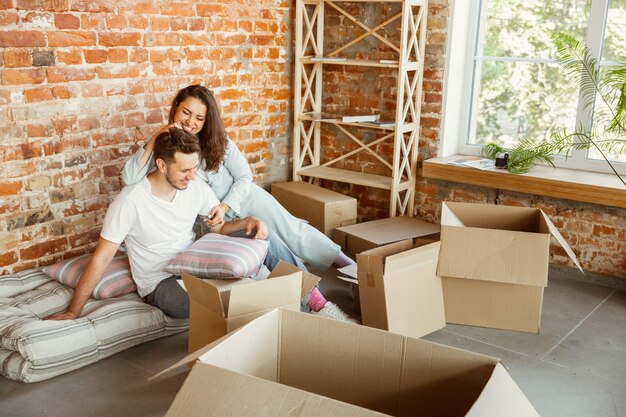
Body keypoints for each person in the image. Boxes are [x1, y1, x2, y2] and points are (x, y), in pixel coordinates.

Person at [46, 128, 353, 322]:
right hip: (163, 283)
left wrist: (249, 223)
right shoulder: (131, 201)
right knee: (240, 296)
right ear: (162, 165)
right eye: (184, 170)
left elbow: (218, 227)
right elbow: (100, 259)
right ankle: (296, 323)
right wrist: (74, 311)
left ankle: (317, 304)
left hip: (197, 261)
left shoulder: (193, 186)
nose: (192, 176)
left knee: (265, 238)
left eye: (195, 168)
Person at [121, 84, 355, 271]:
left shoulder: (218, 141)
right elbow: (130, 178)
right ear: (175, 109)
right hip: (216, 221)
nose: (191, 122)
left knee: (292, 231)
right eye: (186, 112)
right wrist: (156, 136)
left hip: (245, 198)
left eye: (199, 118)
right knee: (273, 247)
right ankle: (305, 288)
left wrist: (225, 205)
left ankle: (348, 265)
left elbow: (245, 176)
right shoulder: (164, 148)